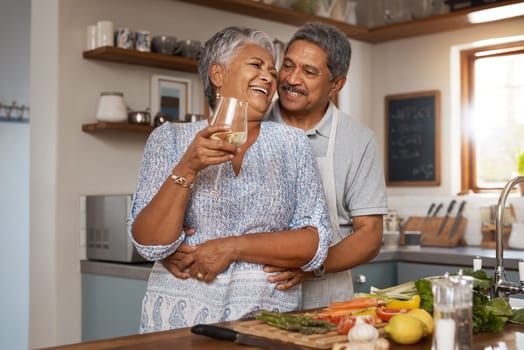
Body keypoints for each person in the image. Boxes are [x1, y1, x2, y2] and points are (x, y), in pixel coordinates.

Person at [127, 26, 331, 333]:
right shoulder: (169, 139)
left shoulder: (292, 144)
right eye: (256, 65)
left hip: (266, 325)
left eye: (272, 71)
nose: (269, 77)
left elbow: (314, 244)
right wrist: (188, 167)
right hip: (180, 326)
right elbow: (150, 244)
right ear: (218, 75)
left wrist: (231, 247)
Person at [264, 22, 388, 309]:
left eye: (309, 72)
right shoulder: (252, 125)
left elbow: (369, 235)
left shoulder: (358, 140)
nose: (292, 79)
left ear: (336, 84)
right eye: (288, 66)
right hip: (255, 298)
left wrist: (310, 267)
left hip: (326, 303)